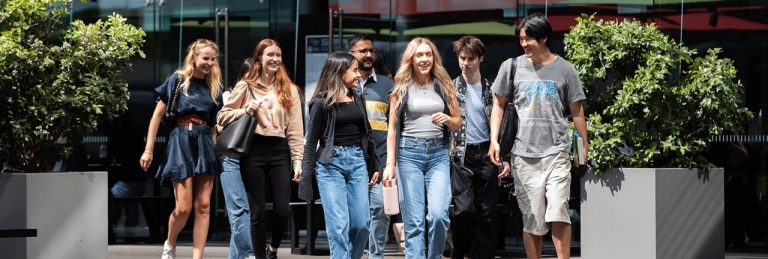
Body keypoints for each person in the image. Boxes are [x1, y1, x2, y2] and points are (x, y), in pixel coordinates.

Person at [487, 13, 587, 259]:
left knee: (558, 212)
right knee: (532, 220)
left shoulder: (565, 69)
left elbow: (577, 111)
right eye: (521, 39)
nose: (524, 44)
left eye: (528, 38)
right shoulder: (511, 67)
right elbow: (498, 106)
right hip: (523, 155)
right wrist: (494, 140)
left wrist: (583, 148)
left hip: (557, 153)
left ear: (544, 38)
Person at [217, 39, 304, 259]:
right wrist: (245, 110)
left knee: (283, 209)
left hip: (279, 151)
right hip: (253, 150)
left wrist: (298, 160)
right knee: (257, 212)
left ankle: (273, 248)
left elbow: (295, 129)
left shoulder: (290, 89)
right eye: (270, 55)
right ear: (259, 58)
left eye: (278, 55)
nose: (275, 59)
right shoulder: (245, 86)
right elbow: (222, 117)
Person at [139, 38, 223, 259]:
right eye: (206, 58)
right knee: (183, 207)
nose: (210, 63)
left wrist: (215, 152)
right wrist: (148, 149)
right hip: (181, 141)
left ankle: (197, 257)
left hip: (205, 142)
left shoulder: (214, 87)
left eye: (213, 59)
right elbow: (157, 116)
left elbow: (213, 126)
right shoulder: (178, 80)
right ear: (194, 58)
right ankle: (170, 242)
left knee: (204, 206)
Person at [381, 37, 462, 259]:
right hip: (409, 155)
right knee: (414, 221)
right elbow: (393, 129)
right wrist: (391, 164)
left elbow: (457, 122)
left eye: (428, 54)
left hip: (438, 154)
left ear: (434, 58)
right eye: (419, 55)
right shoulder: (401, 87)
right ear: (411, 59)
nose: (424, 59)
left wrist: (447, 118)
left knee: (439, 215)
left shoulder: (444, 84)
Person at [299, 52, 381, 259]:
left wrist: (375, 166)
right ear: (339, 72)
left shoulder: (358, 97)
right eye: (354, 70)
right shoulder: (321, 103)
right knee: (338, 226)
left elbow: (368, 135)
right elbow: (311, 143)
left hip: (358, 163)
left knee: (362, 224)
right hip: (330, 165)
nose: (358, 74)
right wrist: (306, 179)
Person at [448, 35, 510, 259]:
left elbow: (502, 126)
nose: (465, 63)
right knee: (464, 210)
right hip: (460, 154)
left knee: (487, 213)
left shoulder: (491, 89)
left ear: (481, 58)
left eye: (470, 59)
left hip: (486, 153)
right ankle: (459, 251)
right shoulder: (450, 89)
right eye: (462, 58)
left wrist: (505, 156)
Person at [347, 34, 395, 259]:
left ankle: (377, 256)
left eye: (370, 50)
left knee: (380, 211)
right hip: (352, 159)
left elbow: (394, 125)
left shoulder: (387, 84)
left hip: (382, 159)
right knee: (354, 217)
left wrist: (389, 163)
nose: (368, 55)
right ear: (351, 55)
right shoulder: (344, 84)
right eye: (362, 50)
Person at [218, 58, 254, 259]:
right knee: (240, 210)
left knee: (244, 212)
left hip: (251, 157)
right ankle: (248, 254)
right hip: (231, 156)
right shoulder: (229, 96)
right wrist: (246, 111)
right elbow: (221, 124)